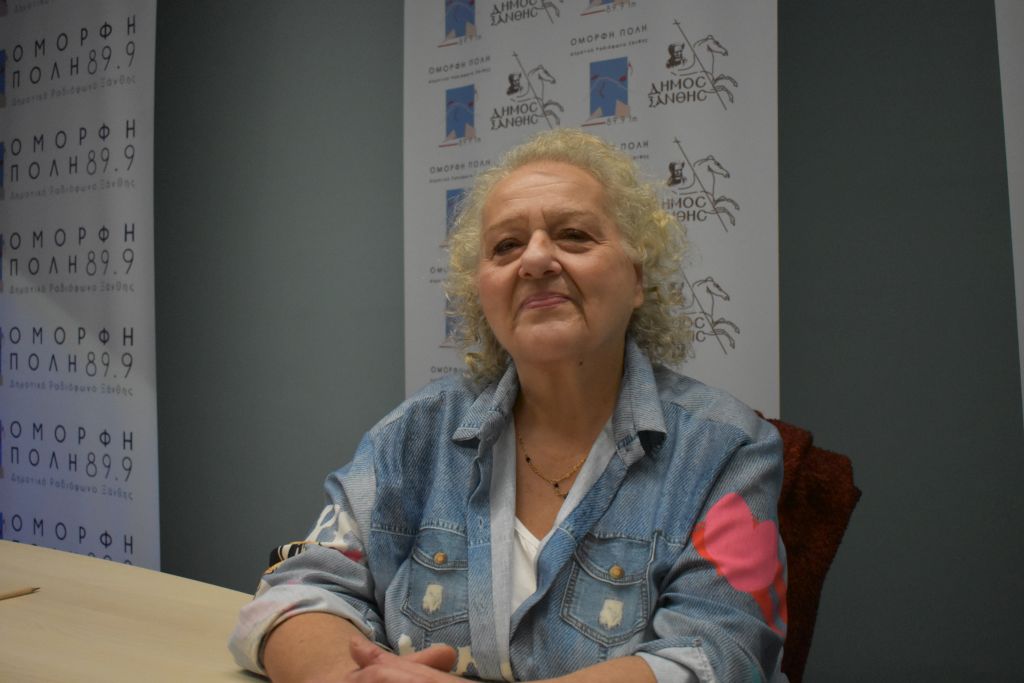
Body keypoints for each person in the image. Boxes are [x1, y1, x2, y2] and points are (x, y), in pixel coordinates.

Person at [229, 128, 787, 682]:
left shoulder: (727, 451)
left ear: (637, 279)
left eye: (573, 235)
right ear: (482, 290)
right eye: (506, 246)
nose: (536, 259)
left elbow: (720, 657)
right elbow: (298, 591)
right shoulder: (417, 432)